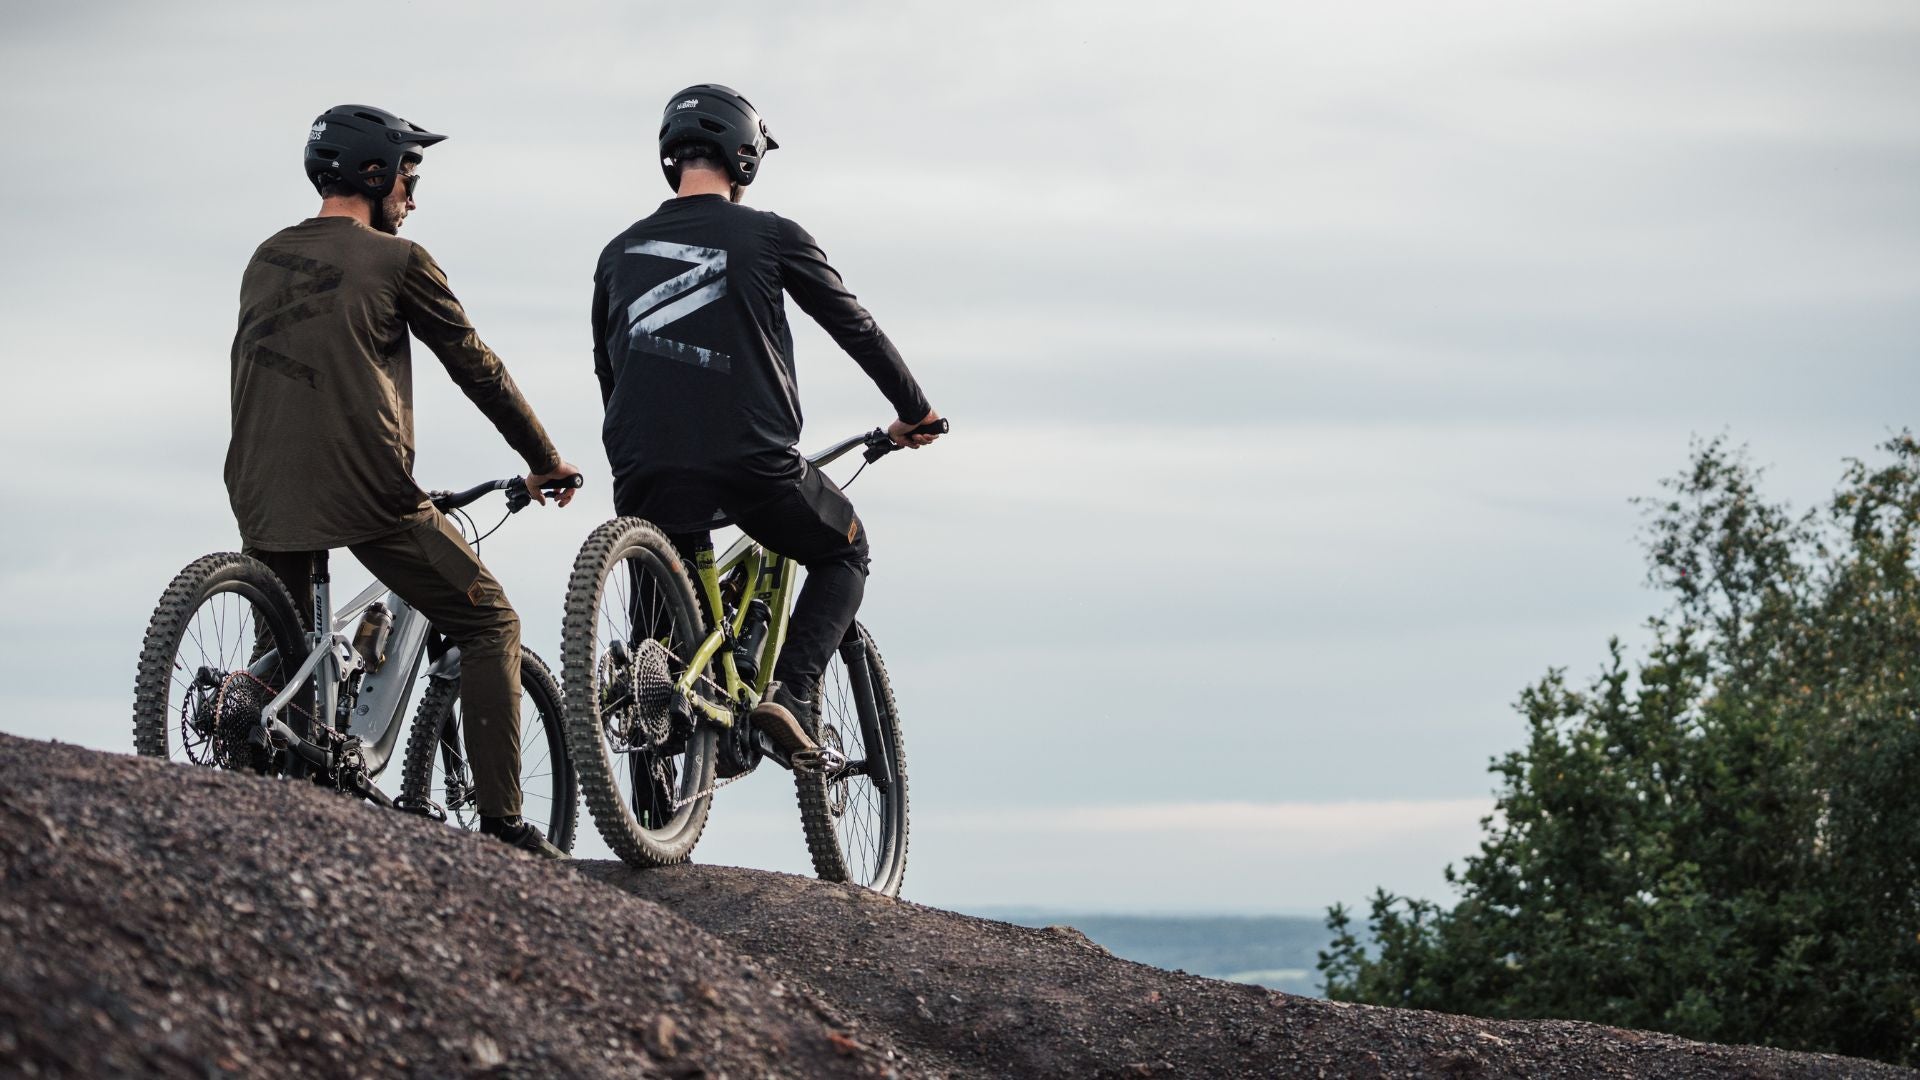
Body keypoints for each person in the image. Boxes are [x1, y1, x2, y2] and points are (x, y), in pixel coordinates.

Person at [226, 104, 581, 857]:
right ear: (374, 173)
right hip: (368, 495)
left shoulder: (265, 255)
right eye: (408, 178)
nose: (412, 198)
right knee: (491, 621)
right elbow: (477, 366)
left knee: (284, 674)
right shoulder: (399, 260)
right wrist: (545, 459)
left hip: (260, 494)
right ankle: (504, 827)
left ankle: (254, 775)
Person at [590, 84, 940, 767]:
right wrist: (914, 410)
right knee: (844, 551)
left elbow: (609, 367)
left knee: (657, 659)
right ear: (744, 157)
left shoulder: (617, 252)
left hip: (642, 471)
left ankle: (652, 815)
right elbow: (855, 327)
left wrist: (637, 449)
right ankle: (796, 692)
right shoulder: (771, 235)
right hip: (751, 462)